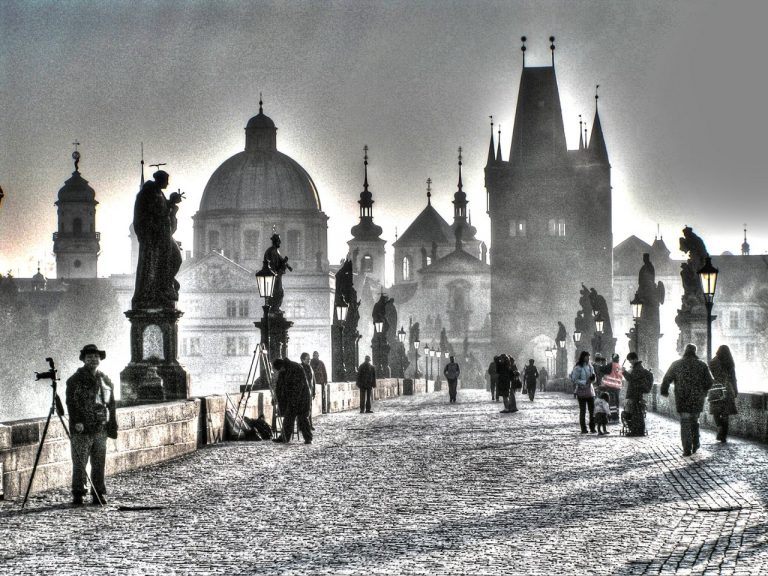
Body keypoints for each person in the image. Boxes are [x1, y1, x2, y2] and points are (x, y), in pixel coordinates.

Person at [65, 344, 116, 506]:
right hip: (82, 428)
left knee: (99, 462)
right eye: (89, 357)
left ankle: (98, 493)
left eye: (96, 357)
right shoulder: (75, 380)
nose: (93, 359)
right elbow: (71, 403)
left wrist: (112, 424)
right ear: (84, 360)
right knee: (80, 463)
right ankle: (78, 493)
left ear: (99, 359)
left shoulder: (105, 379)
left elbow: (111, 404)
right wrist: (77, 422)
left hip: (101, 426)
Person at [131, 170, 184, 310]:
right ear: (160, 179)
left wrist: (172, 203)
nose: (168, 183)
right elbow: (157, 214)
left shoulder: (158, 193)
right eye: (167, 180)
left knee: (175, 259)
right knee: (156, 263)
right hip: (154, 238)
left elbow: (164, 212)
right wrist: (171, 203)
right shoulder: (148, 193)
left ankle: (165, 284)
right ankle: (161, 287)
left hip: (163, 236)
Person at [660, 344, 713, 456]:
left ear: (685, 351)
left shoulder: (676, 364)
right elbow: (710, 382)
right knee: (694, 421)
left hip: (682, 397)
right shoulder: (702, 365)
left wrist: (664, 391)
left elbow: (667, 379)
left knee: (685, 422)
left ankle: (686, 448)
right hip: (697, 398)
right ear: (695, 351)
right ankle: (696, 442)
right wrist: (703, 391)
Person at [272, 358, 312, 444]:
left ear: (282, 365)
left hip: (302, 397)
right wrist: (275, 397)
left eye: (279, 369)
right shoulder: (284, 370)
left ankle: (308, 438)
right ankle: (284, 437)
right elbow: (279, 385)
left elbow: (298, 386)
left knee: (303, 418)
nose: (279, 371)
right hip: (292, 398)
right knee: (288, 418)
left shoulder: (295, 367)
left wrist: (294, 400)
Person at [708, 345, 738, 443]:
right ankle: (723, 435)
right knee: (725, 413)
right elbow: (733, 378)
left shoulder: (713, 362)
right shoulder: (730, 363)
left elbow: (710, 376)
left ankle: (720, 427)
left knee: (716, 412)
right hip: (728, 389)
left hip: (716, 388)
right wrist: (735, 390)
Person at [622, 352, 653, 436]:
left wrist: (624, 372)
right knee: (637, 413)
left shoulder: (638, 368)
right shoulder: (638, 367)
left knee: (635, 413)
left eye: (630, 360)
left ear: (634, 359)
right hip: (637, 393)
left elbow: (632, 379)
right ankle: (638, 431)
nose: (630, 362)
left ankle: (636, 431)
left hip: (635, 393)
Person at [570, 351, 596, 434]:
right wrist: (584, 382)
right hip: (581, 391)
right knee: (583, 411)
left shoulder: (590, 366)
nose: (588, 358)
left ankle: (592, 427)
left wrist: (593, 379)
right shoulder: (578, 368)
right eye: (586, 357)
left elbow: (594, 377)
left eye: (589, 357)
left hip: (590, 391)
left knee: (592, 410)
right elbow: (574, 379)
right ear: (583, 357)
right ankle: (583, 428)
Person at [601, 353, 624, 423]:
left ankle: (613, 418)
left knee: (611, 402)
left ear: (612, 358)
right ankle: (617, 417)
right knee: (617, 402)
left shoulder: (611, 365)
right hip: (618, 387)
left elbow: (602, 370)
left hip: (611, 386)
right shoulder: (619, 366)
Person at [299, 353, 316, 431]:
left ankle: (310, 425)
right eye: (307, 359)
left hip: (309, 391)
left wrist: (313, 392)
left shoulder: (310, 368)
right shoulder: (300, 368)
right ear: (302, 360)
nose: (309, 361)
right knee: (303, 411)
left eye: (309, 359)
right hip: (302, 393)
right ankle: (302, 426)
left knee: (309, 409)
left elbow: (313, 381)